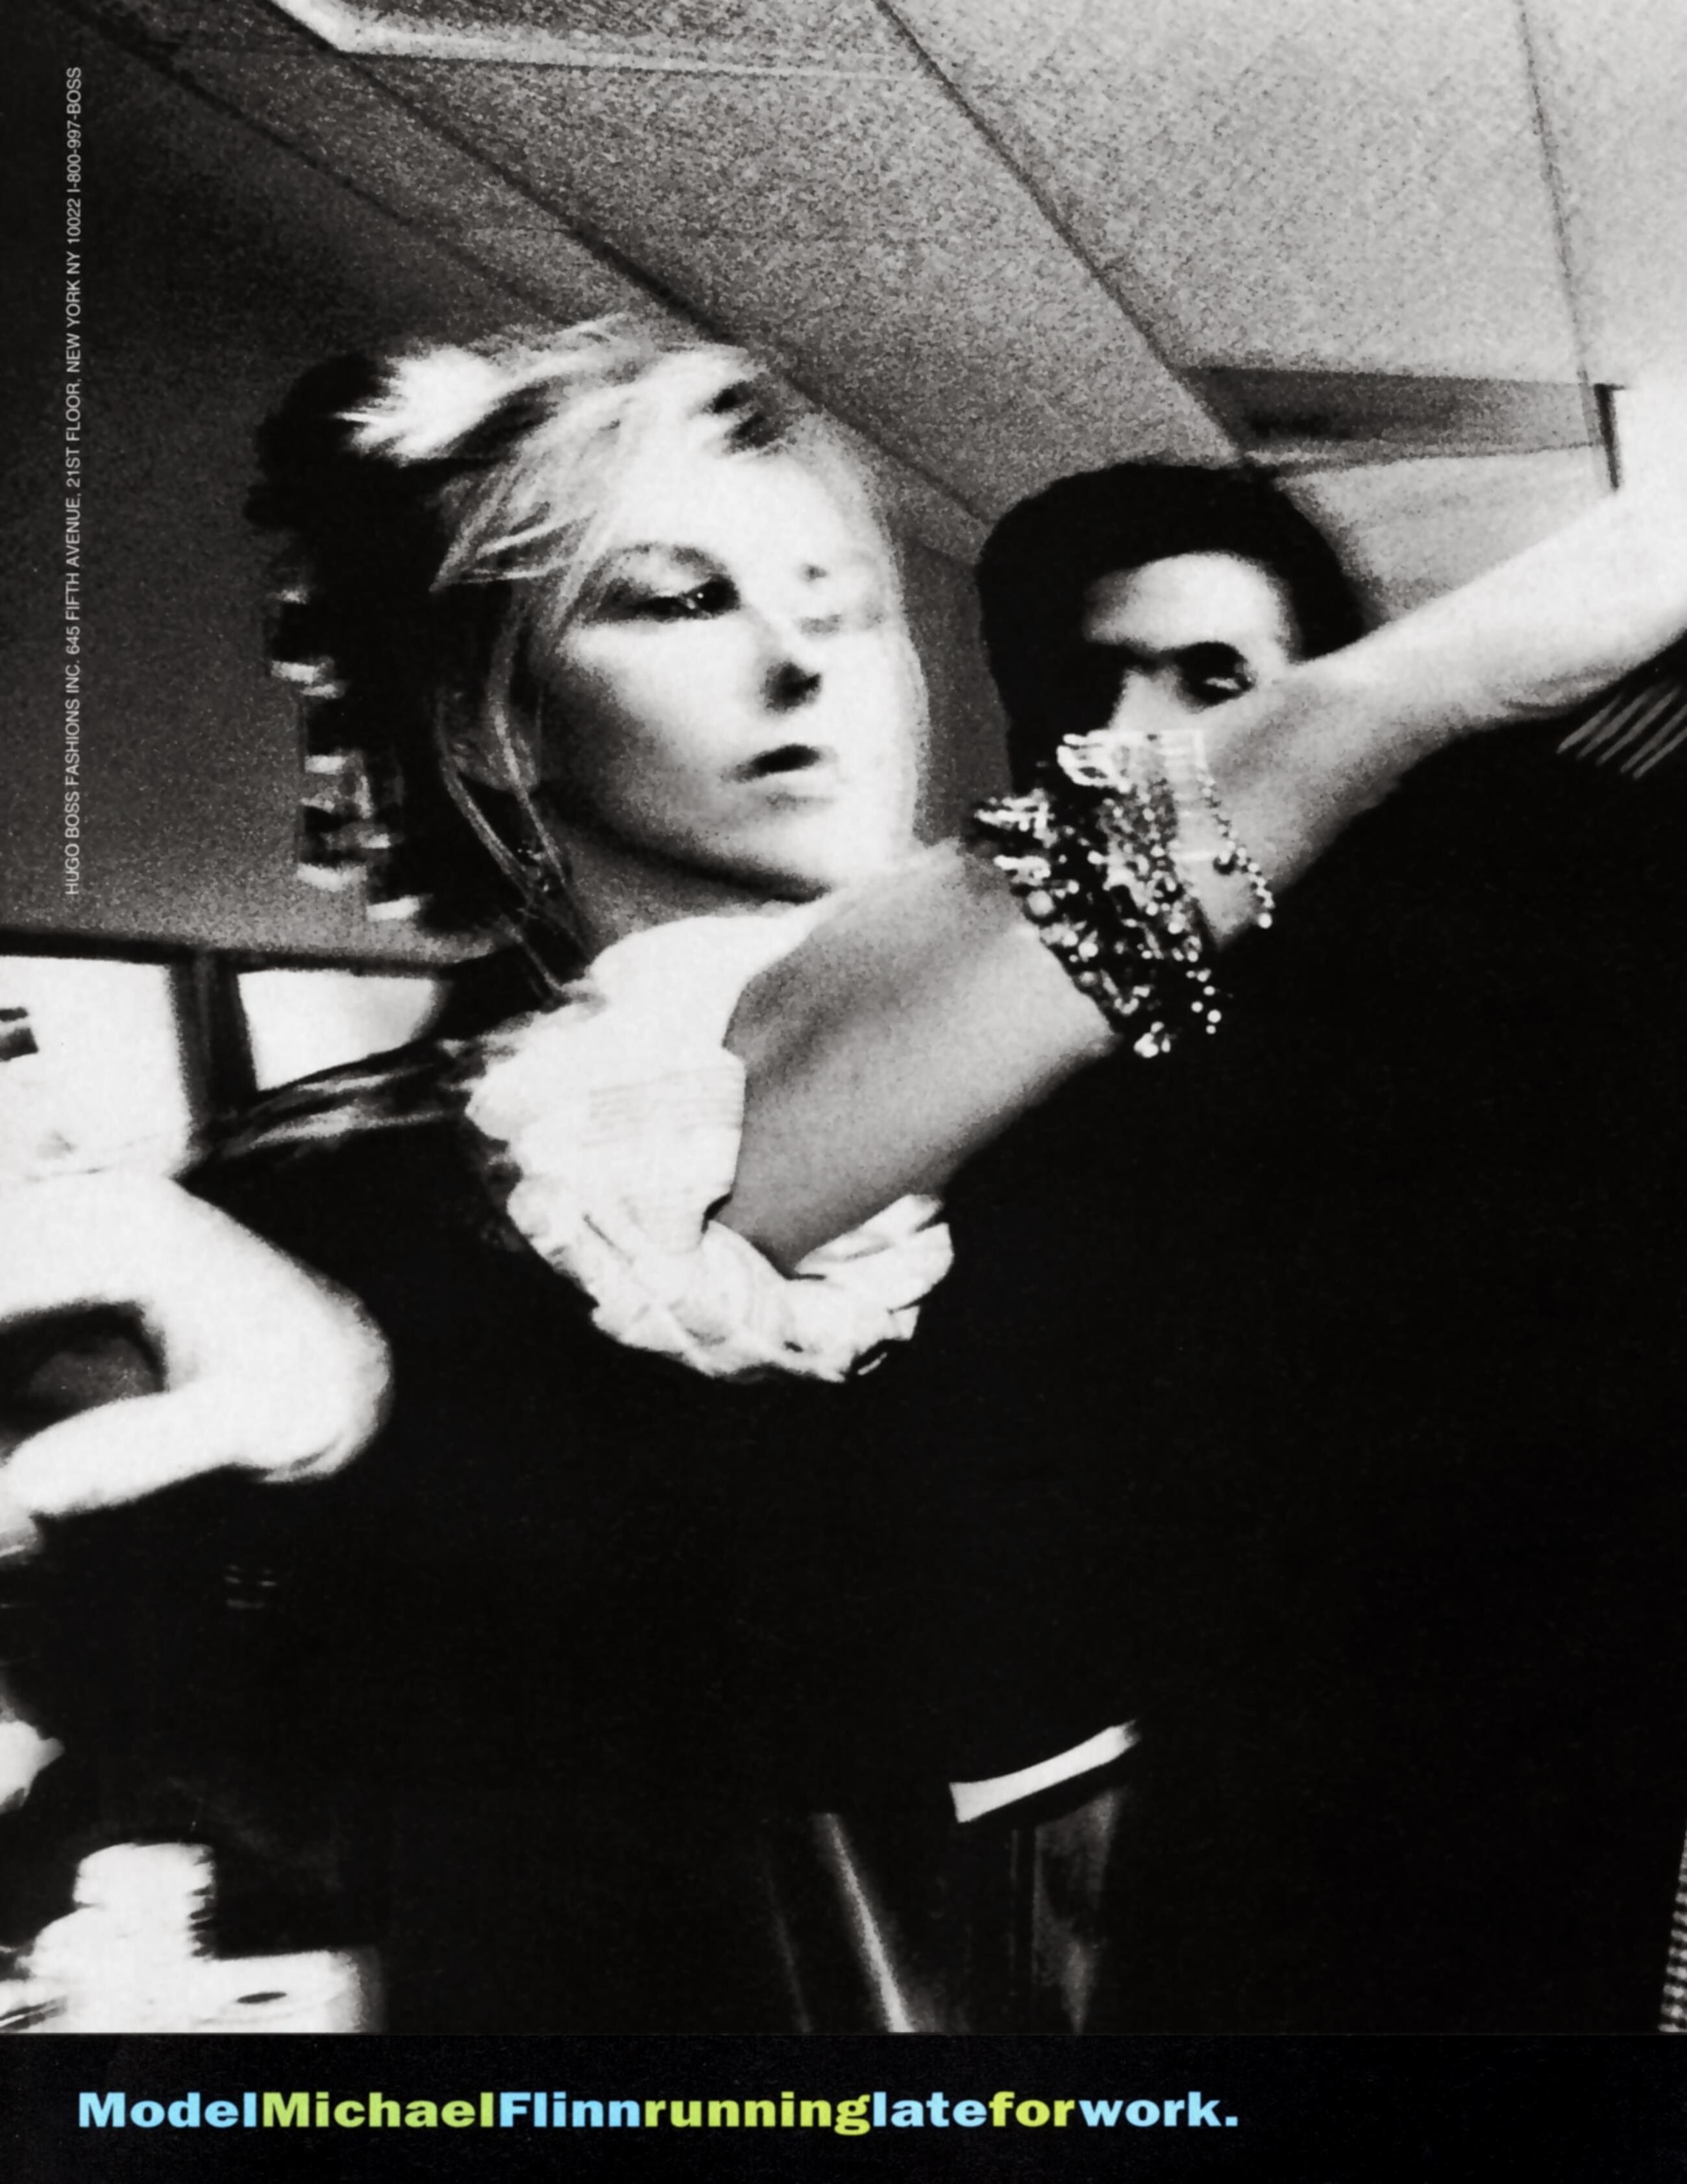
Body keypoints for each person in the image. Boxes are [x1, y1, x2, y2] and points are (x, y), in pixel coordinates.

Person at [4, 324, 1687, 2030]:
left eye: (842, 604)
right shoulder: (370, 1177)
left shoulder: (1131, 1104)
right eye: (681, 600)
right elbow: (760, 1096)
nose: (803, 664)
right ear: (491, 720)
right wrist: (1445, 670)